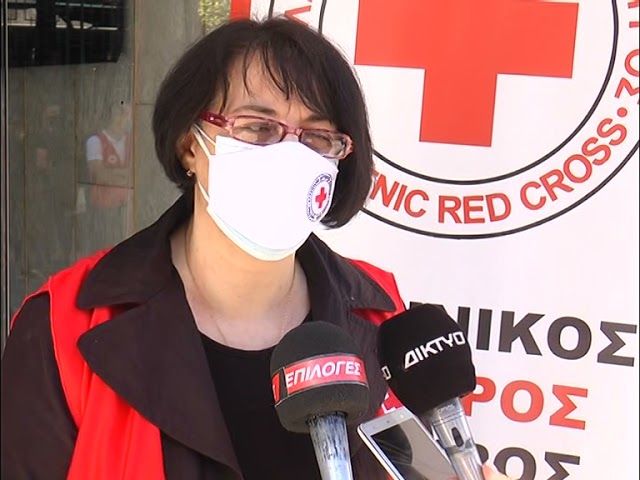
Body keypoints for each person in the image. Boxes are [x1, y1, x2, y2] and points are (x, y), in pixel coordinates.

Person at [1, 17, 511, 480]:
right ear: (190, 145)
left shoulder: (382, 315)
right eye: (257, 128)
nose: (289, 154)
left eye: (317, 136)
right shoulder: (64, 328)